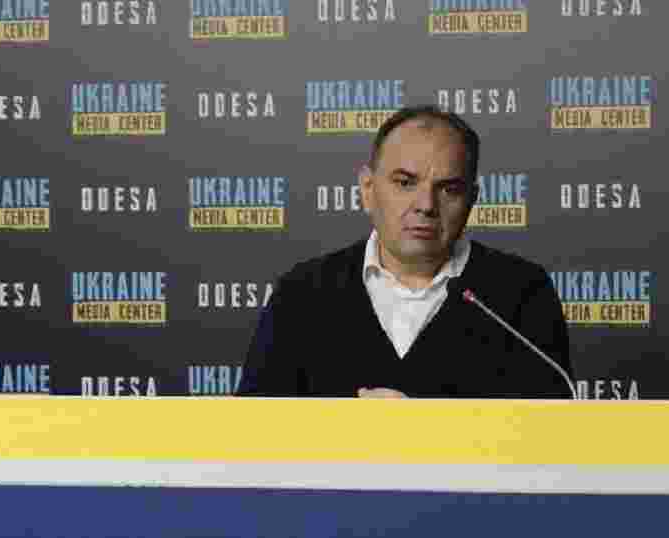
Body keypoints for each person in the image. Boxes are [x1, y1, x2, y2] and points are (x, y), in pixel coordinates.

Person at [236, 105, 572, 398]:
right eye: (405, 183)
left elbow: (547, 435)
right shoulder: (302, 293)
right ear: (368, 189)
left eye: (449, 189)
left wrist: (420, 427)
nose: (426, 205)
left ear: (471, 199)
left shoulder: (521, 293)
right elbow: (252, 431)